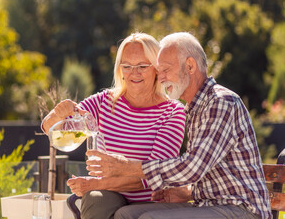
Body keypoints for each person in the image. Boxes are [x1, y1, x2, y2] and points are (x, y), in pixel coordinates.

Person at [86, 32, 273, 219]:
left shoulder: (221, 102)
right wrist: (189, 192)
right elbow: (212, 173)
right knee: (126, 215)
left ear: (190, 66)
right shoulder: (194, 107)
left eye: (166, 70)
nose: (161, 78)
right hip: (207, 204)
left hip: (242, 211)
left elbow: (193, 167)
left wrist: (126, 166)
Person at [41, 32, 186, 219]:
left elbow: (154, 176)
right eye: (127, 66)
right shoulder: (103, 102)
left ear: (157, 69)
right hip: (109, 195)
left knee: (100, 195)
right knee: (96, 199)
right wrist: (55, 115)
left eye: (142, 66)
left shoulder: (172, 111)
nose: (134, 73)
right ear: (120, 69)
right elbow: (53, 131)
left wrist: (94, 184)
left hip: (152, 201)